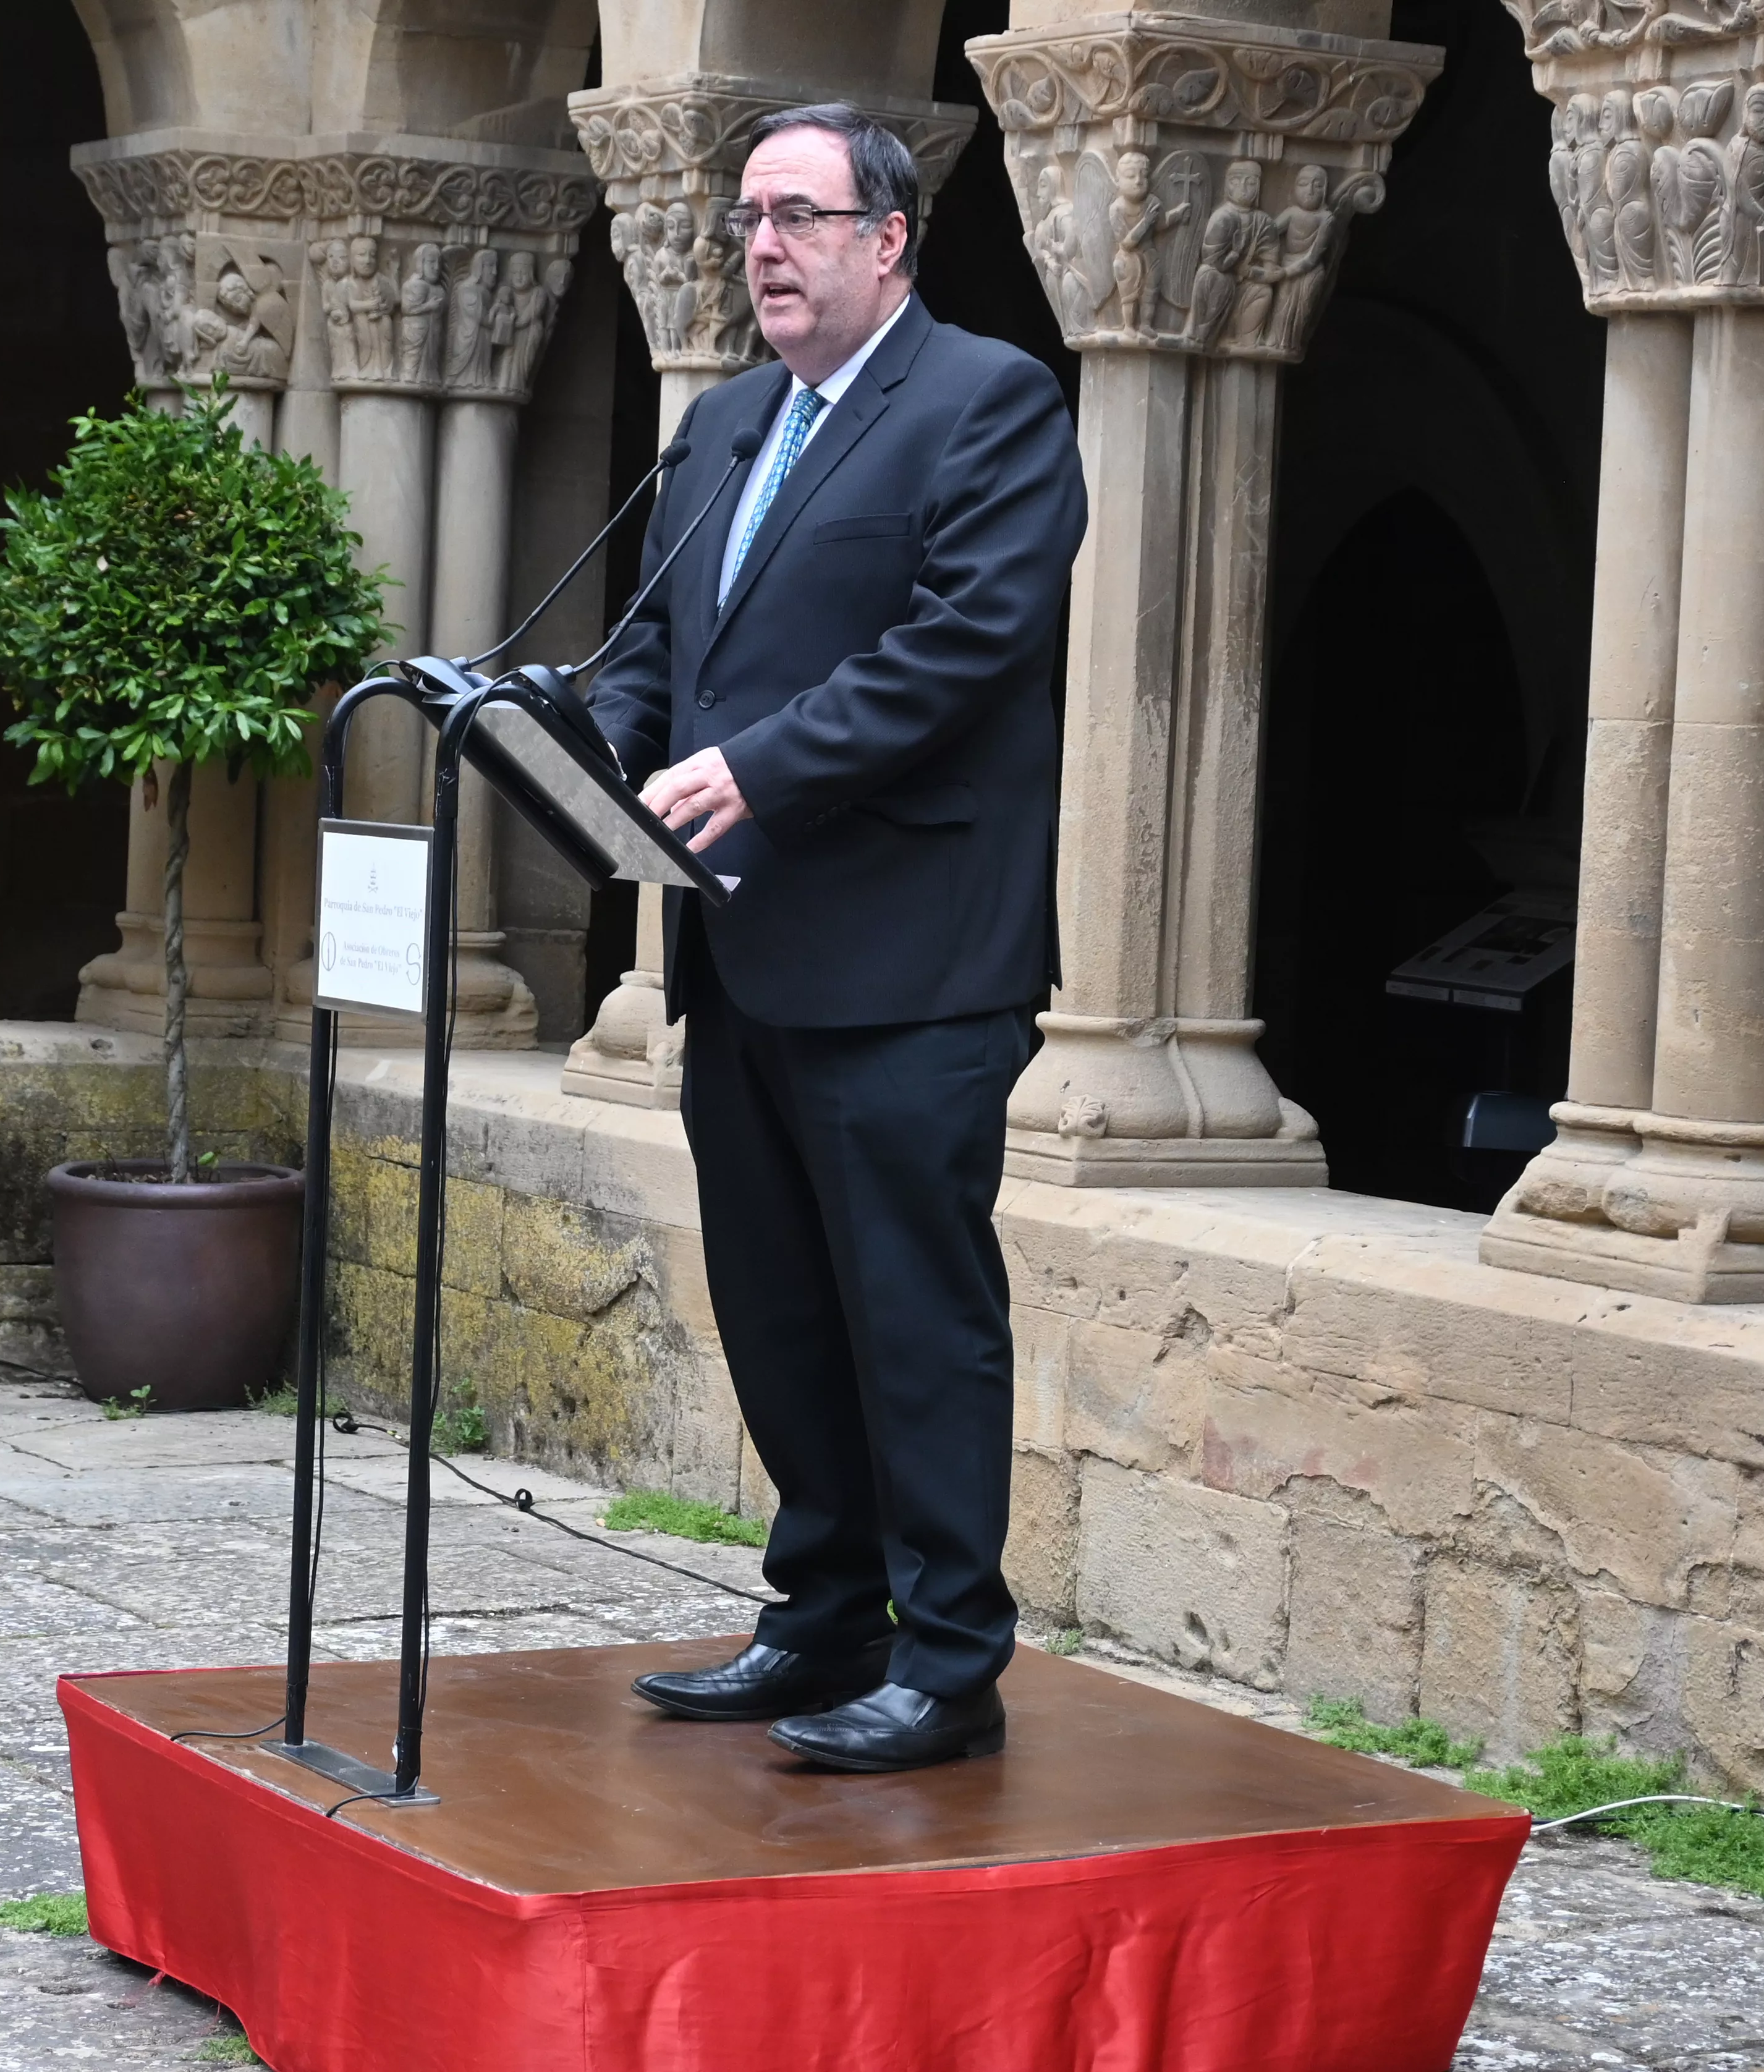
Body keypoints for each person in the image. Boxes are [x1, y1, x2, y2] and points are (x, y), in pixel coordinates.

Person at [587, 104, 1088, 1772]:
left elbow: (971, 642)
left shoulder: (988, 405)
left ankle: (947, 1661)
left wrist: (761, 768)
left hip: (915, 963)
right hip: (743, 953)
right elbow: (659, 646)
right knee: (785, 1305)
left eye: (797, 216)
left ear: (889, 238)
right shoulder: (727, 423)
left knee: (913, 1315)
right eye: (745, 220)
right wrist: (582, 732)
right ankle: (821, 1619)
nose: (762, 248)